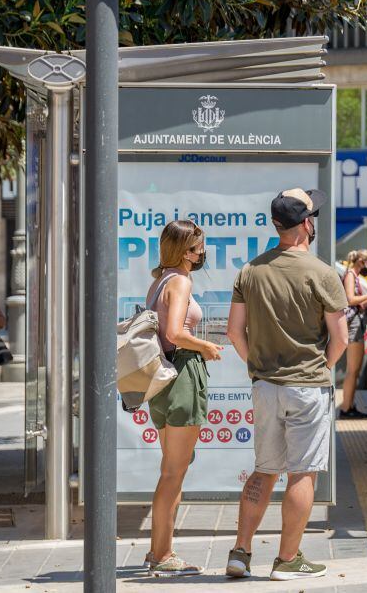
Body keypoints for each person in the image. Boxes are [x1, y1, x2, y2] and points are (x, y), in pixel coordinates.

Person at [224, 188, 348, 581]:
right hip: (307, 386)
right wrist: (321, 367)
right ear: (307, 224)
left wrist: (258, 367)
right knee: (303, 473)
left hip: (266, 386)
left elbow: (233, 331)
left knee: (263, 470)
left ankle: (240, 553)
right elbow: (341, 338)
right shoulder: (322, 273)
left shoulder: (251, 270)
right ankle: (287, 559)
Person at [144, 220, 223, 577]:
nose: (201, 253)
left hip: (162, 378)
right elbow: (175, 332)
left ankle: (160, 550)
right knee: (173, 473)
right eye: (195, 248)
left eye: (201, 247)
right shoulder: (179, 280)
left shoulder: (158, 279)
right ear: (181, 251)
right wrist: (205, 345)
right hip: (182, 375)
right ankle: (161, 553)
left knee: (171, 470)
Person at [338, 249, 367, 419]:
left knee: (354, 369)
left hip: (356, 322)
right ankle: (346, 408)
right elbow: (349, 299)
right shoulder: (350, 275)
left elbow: (359, 305)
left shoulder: (355, 276)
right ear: (361, 261)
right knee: (353, 370)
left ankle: (349, 404)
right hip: (353, 325)